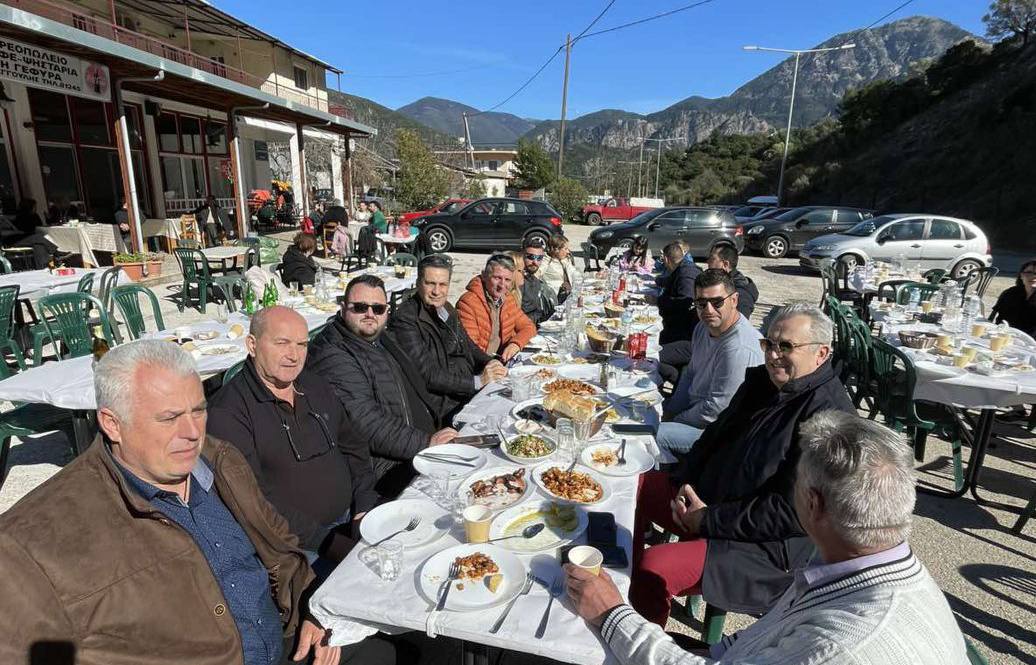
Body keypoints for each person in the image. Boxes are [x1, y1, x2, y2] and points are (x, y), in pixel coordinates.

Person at [0, 340, 396, 665]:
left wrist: (314, 609)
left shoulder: (218, 461)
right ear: (112, 423)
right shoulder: (34, 541)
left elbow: (281, 546)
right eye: (169, 417)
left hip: (287, 641)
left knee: (396, 645)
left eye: (198, 410)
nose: (192, 432)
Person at [565, 411, 970, 665]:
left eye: (796, 482)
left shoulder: (842, 646)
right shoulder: (857, 564)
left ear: (811, 503)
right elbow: (763, 640)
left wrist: (612, 614)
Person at [630, 303, 854, 625]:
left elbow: (790, 513)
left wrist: (707, 520)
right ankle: (624, 585)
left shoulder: (831, 419)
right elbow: (713, 437)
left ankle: (636, 641)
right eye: (769, 344)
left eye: (786, 346)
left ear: (821, 354)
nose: (773, 355)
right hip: (712, 503)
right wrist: (683, 481)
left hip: (764, 548)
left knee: (654, 567)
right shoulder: (763, 381)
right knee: (632, 484)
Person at [207, 307, 379, 569]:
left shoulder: (314, 385)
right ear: (252, 345)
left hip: (355, 518)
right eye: (282, 343)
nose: (294, 355)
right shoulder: (228, 412)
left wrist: (364, 506)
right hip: (300, 547)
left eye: (302, 344)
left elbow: (354, 446)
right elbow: (256, 503)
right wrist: (332, 544)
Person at [306, 274, 457, 497]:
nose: (370, 314)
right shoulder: (333, 353)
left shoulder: (379, 338)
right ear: (343, 308)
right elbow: (366, 423)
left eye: (377, 309)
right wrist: (426, 442)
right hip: (390, 470)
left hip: (419, 445)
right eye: (360, 307)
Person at [657, 269, 764, 454]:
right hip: (696, 411)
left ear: (734, 300)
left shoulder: (738, 348)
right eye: (701, 303)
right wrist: (671, 410)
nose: (708, 310)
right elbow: (690, 373)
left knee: (649, 435)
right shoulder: (703, 327)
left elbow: (715, 410)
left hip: (720, 433)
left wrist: (676, 419)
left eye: (717, 302)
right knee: (640, 415)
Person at [388, 254, 508, 419]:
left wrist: (491, 362)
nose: (436, 291)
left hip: (467, 387)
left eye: (442, 284)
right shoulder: (406, 319)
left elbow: (468, 345)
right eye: (430, 283)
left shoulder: (446, 307)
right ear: (418, 283)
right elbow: (428, 375)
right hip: (446, 404)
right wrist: (478, 381)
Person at [457, 254, 537, 362]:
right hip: (479, 365)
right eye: (497, 278)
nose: (502, 285)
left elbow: (529, 327)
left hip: (501, 360)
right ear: (484, 276)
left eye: (507, 280)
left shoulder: (507, 299)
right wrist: (491, 363)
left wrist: (515, 344)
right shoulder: (468, 303)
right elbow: (470, 348)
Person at [657, 241, 701, 345]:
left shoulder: (685, 273)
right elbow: (669, 280)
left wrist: (659, 301)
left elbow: (685, 303)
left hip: (684, 333)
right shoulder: (683, 267)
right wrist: (657, 280)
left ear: (666, 259)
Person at [707, 244, 759, 318]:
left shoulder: (741, 294)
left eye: (712, 259)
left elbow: (739, 322)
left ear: (725, 264)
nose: (708, 262)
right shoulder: (722, 282)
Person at [7, 198, 61, 268]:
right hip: (19, 240)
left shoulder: (35, 215)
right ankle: (57, 253)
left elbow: (39, 226)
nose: (36, 208)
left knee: (39, 246)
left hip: (32, 239)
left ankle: (44, 267)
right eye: (34, 206)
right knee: (40, 237)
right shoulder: (19, 216)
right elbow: (25, 230)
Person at [518, 238, 558, 326]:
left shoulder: (535, 280)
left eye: (539, 258)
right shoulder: (517, 280)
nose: (535, 262)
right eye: (531, 257)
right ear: (522, 255)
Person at [991, 259, 1036, 337]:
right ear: (1021, 276)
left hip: (1030, 340)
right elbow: (999, 317)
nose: (1033, 276)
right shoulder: (1010, 293)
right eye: (1029, 272)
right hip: (1004, 335)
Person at [540, 234, 576, 303]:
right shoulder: (545, 262)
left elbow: (574, 273)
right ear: (556, 250)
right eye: (565, 249)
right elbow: (537, 276)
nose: (568, 251)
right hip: (556, 299)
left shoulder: (565, 259)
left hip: (569, 296)